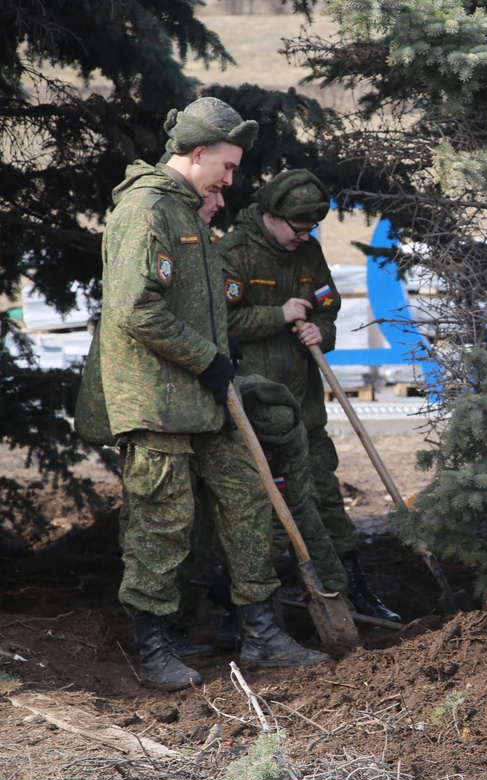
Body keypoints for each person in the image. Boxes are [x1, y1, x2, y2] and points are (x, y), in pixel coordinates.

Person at [74, 97, 331, 691]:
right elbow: (136, 307)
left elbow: (195, 299)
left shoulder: (187, 212)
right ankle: (154, 641)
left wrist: (224, 352)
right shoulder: (146, 210)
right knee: (161, 521)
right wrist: (207, 356)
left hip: (204, 393)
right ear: (197, 154)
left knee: (247, 497)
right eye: (229, 166)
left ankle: (262, 633)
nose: (232, 180)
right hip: (155, 399)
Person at [220, 170, 399, 623]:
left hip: (306, 409)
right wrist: (277, 315)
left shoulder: (310, 254)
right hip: (254, 414)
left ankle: (352, 588)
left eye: (311, 229)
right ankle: (244, 610)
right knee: (258, 511)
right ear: (271, 215)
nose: (305, 237)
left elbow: (327, 306)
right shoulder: (232, 254)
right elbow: (216, 323)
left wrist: (325, 329)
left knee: (325, 498)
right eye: (298, 229)